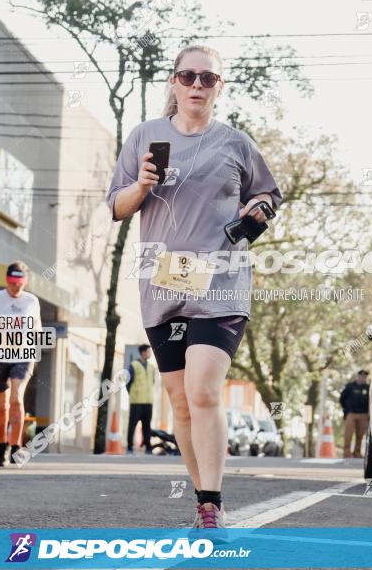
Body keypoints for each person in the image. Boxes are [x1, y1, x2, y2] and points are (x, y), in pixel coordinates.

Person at [106, 43, 282, 529]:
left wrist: (258, 209)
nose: (197, 85)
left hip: (221, 283)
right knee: (181, 400)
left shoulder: (235, 143)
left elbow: (269, 192)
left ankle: (211, 502)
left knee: (204, 390)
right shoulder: (145, 136)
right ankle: (203, 500)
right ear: (174, 83)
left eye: (208, 78)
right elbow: (117, 205)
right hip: (162, 284)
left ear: (219, 87)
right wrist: (141, 186)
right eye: (188, 77)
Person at [0, 261, 41, 466]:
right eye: (13, 282)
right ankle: (1, 447)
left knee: (16, 397)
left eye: (20, 282)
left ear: (26, 281)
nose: (16, 287)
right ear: (7, 280)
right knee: (2, 405)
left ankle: (16, 447)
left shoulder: (32, 301)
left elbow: (37, 331)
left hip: (23, 356)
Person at [126, 344, 156, 454]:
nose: (150, 353)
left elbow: (153, 382)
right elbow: (128, 383)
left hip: (148, 401)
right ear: (143, 352)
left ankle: (147, 446)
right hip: (136, 401)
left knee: (147, 425)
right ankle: (129, 446)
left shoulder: (152, 367)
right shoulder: (133, 365)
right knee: (132, 424)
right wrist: (133, 394)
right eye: (148, 351)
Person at [340, 370, 370, 459]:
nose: (363, 378)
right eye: (361, 376)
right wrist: (346, 410)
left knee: (360, 436)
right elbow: (342, 399)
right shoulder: (350, 387)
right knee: (348, 435)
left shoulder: (368, 388)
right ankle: (346, 454)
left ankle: (357, 453)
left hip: (363, 415)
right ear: (358, 377)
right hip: (351, 414)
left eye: (364, 377)